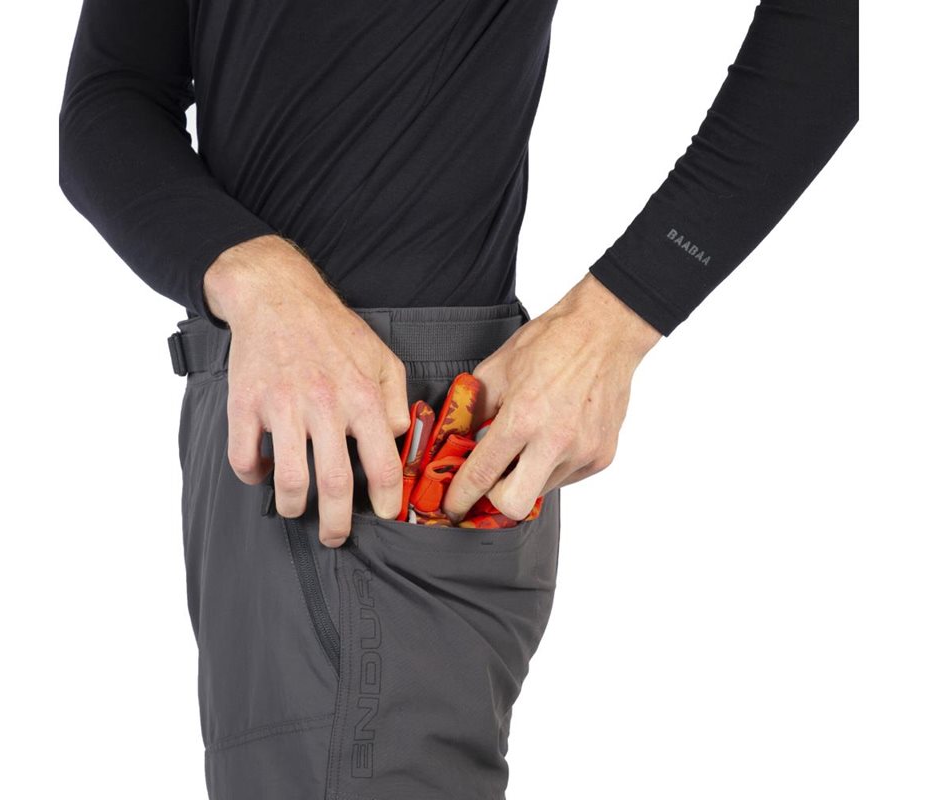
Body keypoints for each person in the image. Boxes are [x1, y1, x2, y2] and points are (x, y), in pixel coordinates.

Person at [58, 1, 858, 797]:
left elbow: (837, 35)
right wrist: (255, 279)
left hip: (401, 442)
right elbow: (112, 97)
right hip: (253, 401)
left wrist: (616, 320)